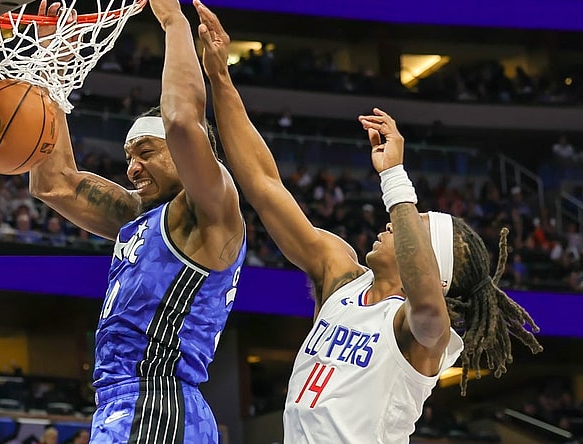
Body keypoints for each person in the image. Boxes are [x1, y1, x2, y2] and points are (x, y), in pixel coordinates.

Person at [193, 2, 543, 442]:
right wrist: (221, 78)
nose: (394, 224)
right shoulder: (341, 277)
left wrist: (395, 180)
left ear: (432, 272)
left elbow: (429, 305)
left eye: (411, 227)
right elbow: (265, 186)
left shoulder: (424, 335)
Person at [29, 0, 246, 442]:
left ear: (186, 151)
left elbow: (184, 120)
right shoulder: (143, 217)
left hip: (158, 401)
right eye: (129, 157)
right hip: (126, 401)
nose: (132, 168)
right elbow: (54, 185)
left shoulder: (211, 208)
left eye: (146, 152)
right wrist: (51, 73)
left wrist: (172, 22)